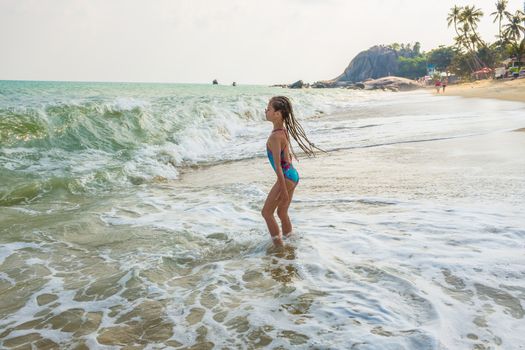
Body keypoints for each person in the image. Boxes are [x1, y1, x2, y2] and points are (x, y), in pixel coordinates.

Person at [262, 96, 322, 246]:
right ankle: (291, 240)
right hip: (293, 175)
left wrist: (283, 190)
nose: (265, 111)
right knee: (282, 212)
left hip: (286, 177)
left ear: (277, 114)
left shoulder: (275, 136)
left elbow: (278, 168)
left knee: (266, 213)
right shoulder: (283, 132)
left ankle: (279, 248)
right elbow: (287, 159)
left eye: (268, 109)